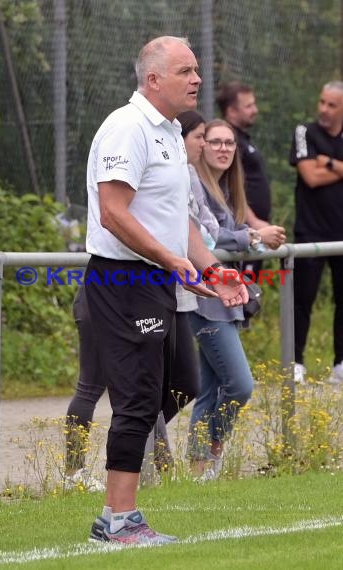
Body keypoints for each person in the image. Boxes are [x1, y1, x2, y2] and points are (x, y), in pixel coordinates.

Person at [82, 36, 248, 545]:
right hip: (124, 279)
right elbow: (113, 213)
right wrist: (170, 260)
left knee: (180, 382)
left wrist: (210, 267)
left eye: (196, 70)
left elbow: (180, 222)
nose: (197, 79)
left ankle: (115, 505)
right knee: (137, 398)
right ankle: (119, 520)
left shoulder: (173, 132)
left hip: (157, 277)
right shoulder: (126, 128)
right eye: (185, 71)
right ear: (153, 80)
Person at [187, 117, 286, 480]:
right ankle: (208, 454)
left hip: (225, 298)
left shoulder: (226, 192)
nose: (224, 149)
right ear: (200, 146)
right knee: (240, 385)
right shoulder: (193, 182)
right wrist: (255, 238)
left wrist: (253, 233)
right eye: (214, 142)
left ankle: (199, 470)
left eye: (230, 143)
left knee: (211, 388)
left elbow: (225, 233)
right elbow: (210, 240)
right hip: (204, 296)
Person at [290, 81, 343, 385]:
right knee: (302, 299)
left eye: (331, 105)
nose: (324, 109)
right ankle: (296, 361)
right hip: (310, 231)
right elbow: (309, 176)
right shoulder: (305, 132)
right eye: (322, 102)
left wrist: (330, 162)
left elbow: (319, 169)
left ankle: (340, 363)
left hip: (342, 233)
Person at [216, 82, 285, 277]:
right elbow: (228, 187)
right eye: (248, 106)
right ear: (231, 111)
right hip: (243, 232)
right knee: (243, 294)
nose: (255, 110)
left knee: (250, 294)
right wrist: (253, 221)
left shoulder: (243, 140)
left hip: (254, 233)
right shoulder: (229, 144)